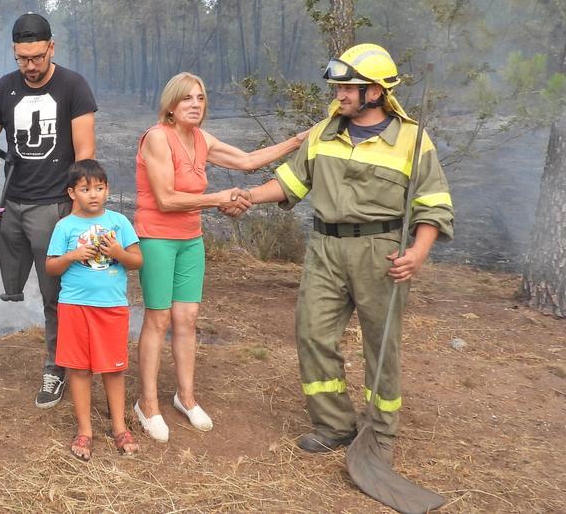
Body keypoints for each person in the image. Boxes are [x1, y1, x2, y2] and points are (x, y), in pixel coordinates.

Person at [244, 43, 453, 456]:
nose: (338, 94)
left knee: (381, 343)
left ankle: (379, 432)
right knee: (312, 332)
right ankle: (334, 424)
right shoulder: (324, 132)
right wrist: (247, 196)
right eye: (338, 87)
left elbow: (434, 203)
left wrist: (418, 252)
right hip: (325, 250)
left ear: (374, 93)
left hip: (382, 253)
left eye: (347, 88)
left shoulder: (412, 139)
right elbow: (290, 184)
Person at [133, 72, 307, 441]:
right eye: (187, 99)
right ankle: (147, 404)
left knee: (188, 316)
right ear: (171, 105)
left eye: (200, 98)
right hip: (157, 238)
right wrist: (218, 198)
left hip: (190, 239)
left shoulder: (201, 138)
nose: (195, 104)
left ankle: (186, 397)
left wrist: (297, 140)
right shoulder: (157, 138)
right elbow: (165, 199)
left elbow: (247, 161)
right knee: (159, 319)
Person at [0, 13, 97, 409]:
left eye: (37, 57)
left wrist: (77, 206)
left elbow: (85, 152)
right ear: (14, 52)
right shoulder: (4, 89)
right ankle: (56, 355)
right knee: (11, 284)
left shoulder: (73, 86)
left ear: (51, 49)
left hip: (54, 205)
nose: (30, 65)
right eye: (22, 58)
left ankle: (55, 367)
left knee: (54, 292)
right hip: (13, 203)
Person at [46, 159, 143, 461]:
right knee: (79, 367)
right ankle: (84, 431)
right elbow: (51, 266)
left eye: (99, 188)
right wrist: (72, 255)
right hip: (75, 306)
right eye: (86, 189)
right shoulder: (65, 226)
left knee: (113, 368)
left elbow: (137, 261)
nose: (93, 194)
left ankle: (119, 427)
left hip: (112, 307)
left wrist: (117, 253)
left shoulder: (119, 222)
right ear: (72, 193)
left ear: (107, 190)